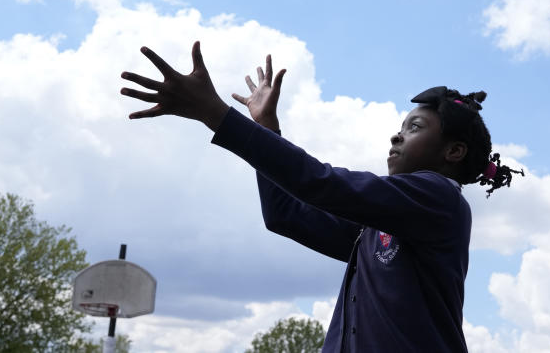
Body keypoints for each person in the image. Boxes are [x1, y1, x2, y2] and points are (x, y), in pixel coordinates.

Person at [120, 42, 523, 352]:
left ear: (454, 152)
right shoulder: (378, 228)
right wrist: (267, 130)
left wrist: (215, 113)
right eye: (401, 126)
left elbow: (321, 183)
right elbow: (285, 215)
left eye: (414, 127)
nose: (396, 135)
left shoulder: (440, 199)